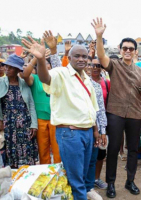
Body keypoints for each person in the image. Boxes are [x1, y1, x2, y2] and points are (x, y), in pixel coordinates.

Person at [22, 35, 99, 199]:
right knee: (77, 180)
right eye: (77, 56)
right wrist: (41, 59)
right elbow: (45, 78)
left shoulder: (87, 79)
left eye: (84, 56)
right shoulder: (61, 73)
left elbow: (93, 109)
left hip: (87, 133)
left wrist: (96, 131)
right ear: (69, 58)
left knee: (82, 178)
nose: (81, 59)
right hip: (70, 134)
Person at [92, 18, 141, 198]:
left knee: (133, 149)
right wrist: (99, 36)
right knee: (113, 149)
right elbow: (101, 56)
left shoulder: (140, 72)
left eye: (131, 49)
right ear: (120, 50)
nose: (128, 51)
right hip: (115, 113)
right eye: (125, 48)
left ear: (135, 51)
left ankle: (130, 181)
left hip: (135, 114)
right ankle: (111, 183)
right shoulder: (114, 65)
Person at [0, 49, 38, 168]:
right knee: (11, 153)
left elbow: (31, 104)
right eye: (6, 67)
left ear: (17, 70)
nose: (7, 69)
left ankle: (27, 179)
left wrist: (34, 124)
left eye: (10, 67)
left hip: (25, 123)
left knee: (28, 153)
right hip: (9, 124)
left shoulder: (24, 83)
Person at [20, 31, 61, 164]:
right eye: (42, 65)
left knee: (58, 151)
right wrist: (36, 58)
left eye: (48, 65)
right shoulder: (35, 79)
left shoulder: (56, 78)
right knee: (43, 151)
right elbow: (25, 75)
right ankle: (46, 175)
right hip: (40, 120)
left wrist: (51, 51)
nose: (46, 67)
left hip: (56, 119)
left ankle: (59, 175)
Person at [85, 57, 109, 200]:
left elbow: (100, 109)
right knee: (80, 160)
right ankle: (79, 188)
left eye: (95, 65)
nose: (92, 68)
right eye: (89, 65)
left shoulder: (97, 86)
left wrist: (102, 131)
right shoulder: (74, 82)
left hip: (95, 129)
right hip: (76, 128)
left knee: (93, 159)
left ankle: (89, 187)